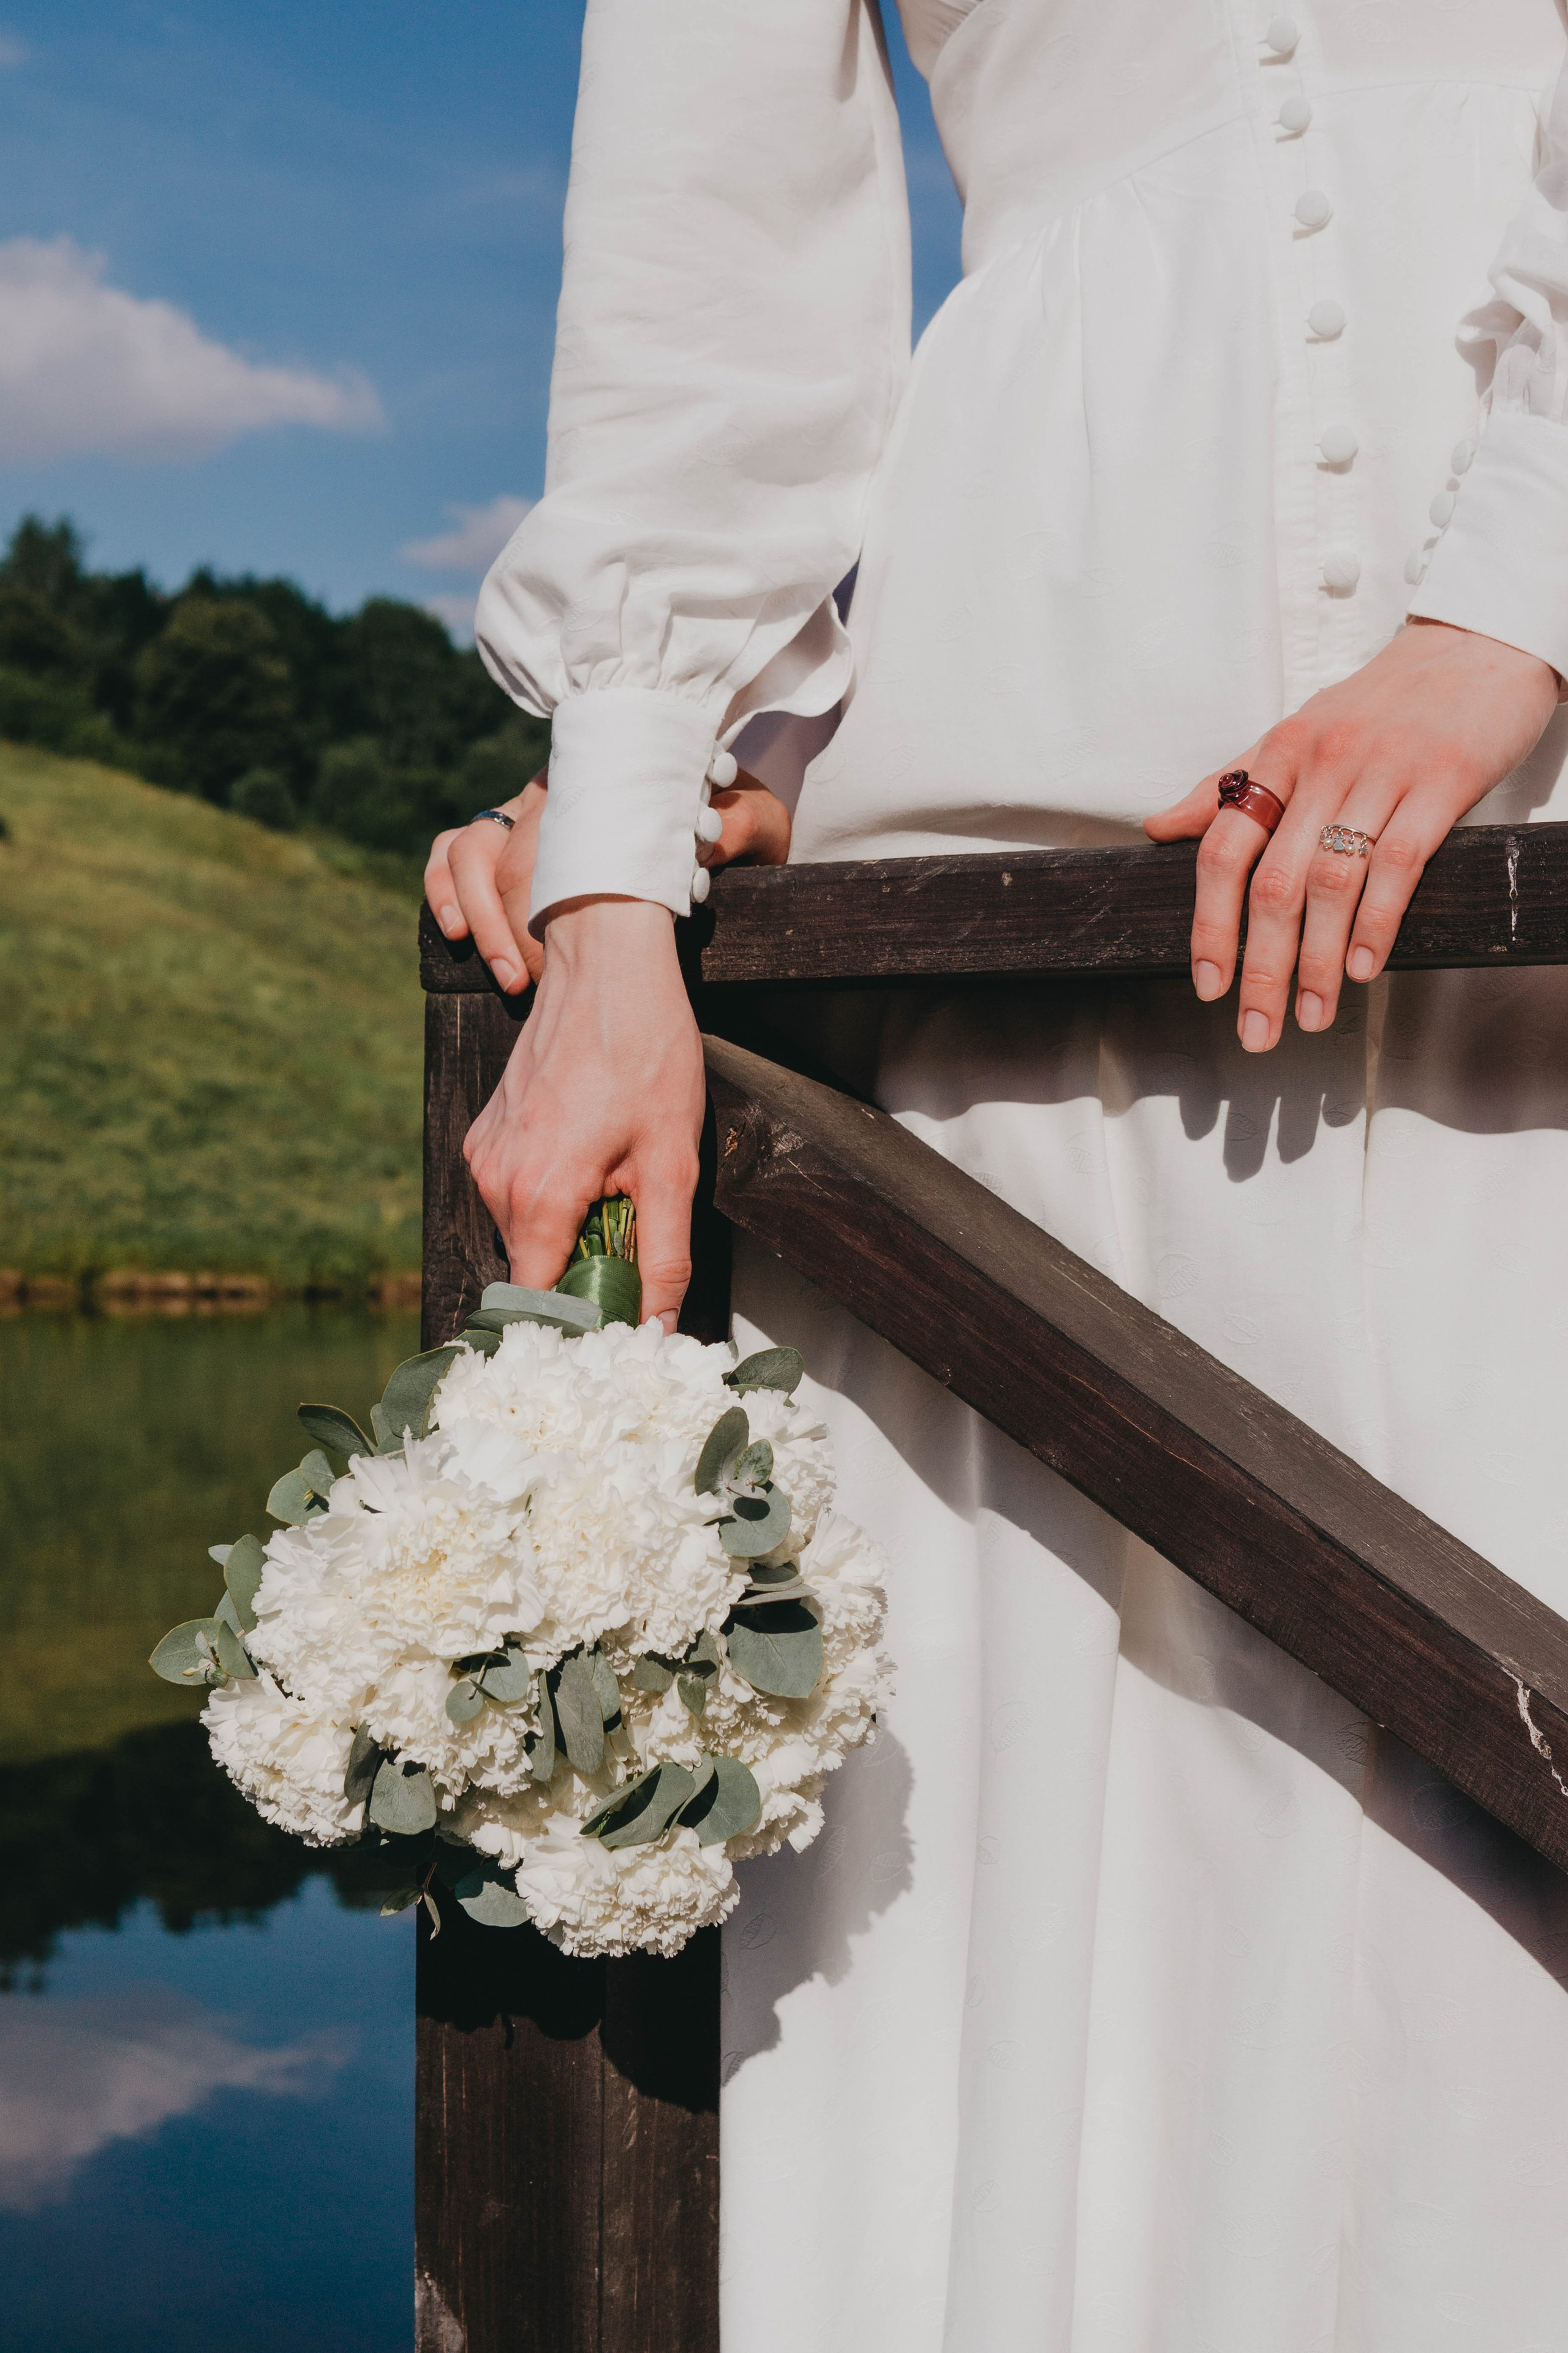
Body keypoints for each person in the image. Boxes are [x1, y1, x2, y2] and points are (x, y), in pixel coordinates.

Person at [426, 5, 1568, 2345]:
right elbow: (701, 245)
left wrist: (1508, 610)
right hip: (1043, 720)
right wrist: (620, 878)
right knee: (1083, 1817)